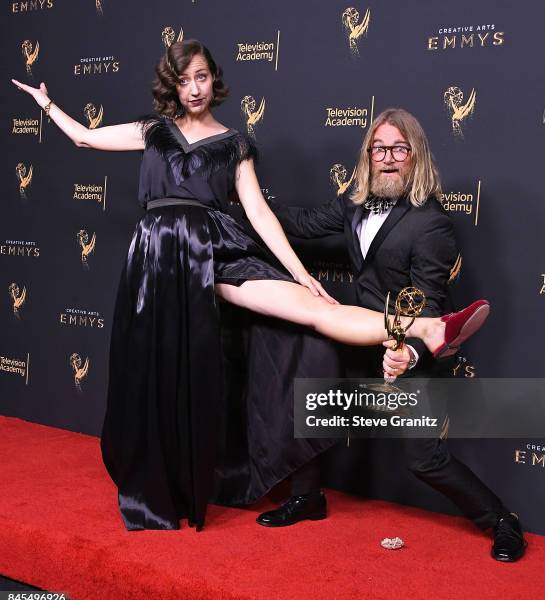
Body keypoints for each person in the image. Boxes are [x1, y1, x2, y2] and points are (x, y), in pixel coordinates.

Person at [12, 44, 488, 533]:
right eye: (183, 80)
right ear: (172, 86)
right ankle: (170, 475)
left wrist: (300, 272)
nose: (194, 88)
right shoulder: (152, 131)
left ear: (213, 79)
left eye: (201, 77)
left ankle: (429, 328)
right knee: (164, 371)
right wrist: (46, 105)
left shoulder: (234, 144)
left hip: (219, 250)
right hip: (161, 257)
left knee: (311, 309)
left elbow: (259, 212)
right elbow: (86, 139)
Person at [262, 108, 526, 562]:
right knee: (302, 383)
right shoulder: (354, 202)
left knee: (423, 459)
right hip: (357, 337)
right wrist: (241, 202)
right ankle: (308, 496)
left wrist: (411, 355)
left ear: (415, 155)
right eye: (379, 148)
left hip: (403, 351)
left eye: (398, 149)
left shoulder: (432, 224)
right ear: (368, 155)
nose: (387, 158)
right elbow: (304, 224)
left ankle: (502, 520)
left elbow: (429, 307)